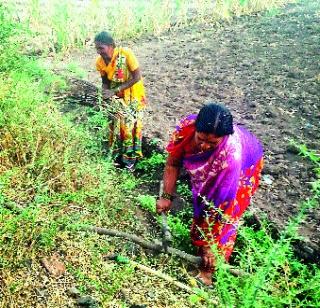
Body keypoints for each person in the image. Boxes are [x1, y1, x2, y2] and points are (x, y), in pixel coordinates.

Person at [156, 103, 263, 285]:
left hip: (245, 170)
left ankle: (208, 273)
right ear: (195, 128)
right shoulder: (185, 130)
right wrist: (166, 197)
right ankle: (201, 251)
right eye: (201, 139)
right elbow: (173, 163)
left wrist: (211, 245)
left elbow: (223, 208)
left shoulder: (231, 157)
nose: (204, 146)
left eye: (213, 143)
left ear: (224, 138)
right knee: (203, 204)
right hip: (221, 165)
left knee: (222, 218)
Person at [94, 31, 147, 170]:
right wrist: (103, 94)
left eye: (101, 48)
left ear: (111, 46)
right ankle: (118, 157)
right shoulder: (99, 62)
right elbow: (105, 81)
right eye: (97, 48)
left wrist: (115, 91)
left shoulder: (126, 54)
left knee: (130, 127)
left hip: (133, 96)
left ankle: (130, 161)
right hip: (116, 98)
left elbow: (137, 77)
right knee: (115, 126)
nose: (99, 52)